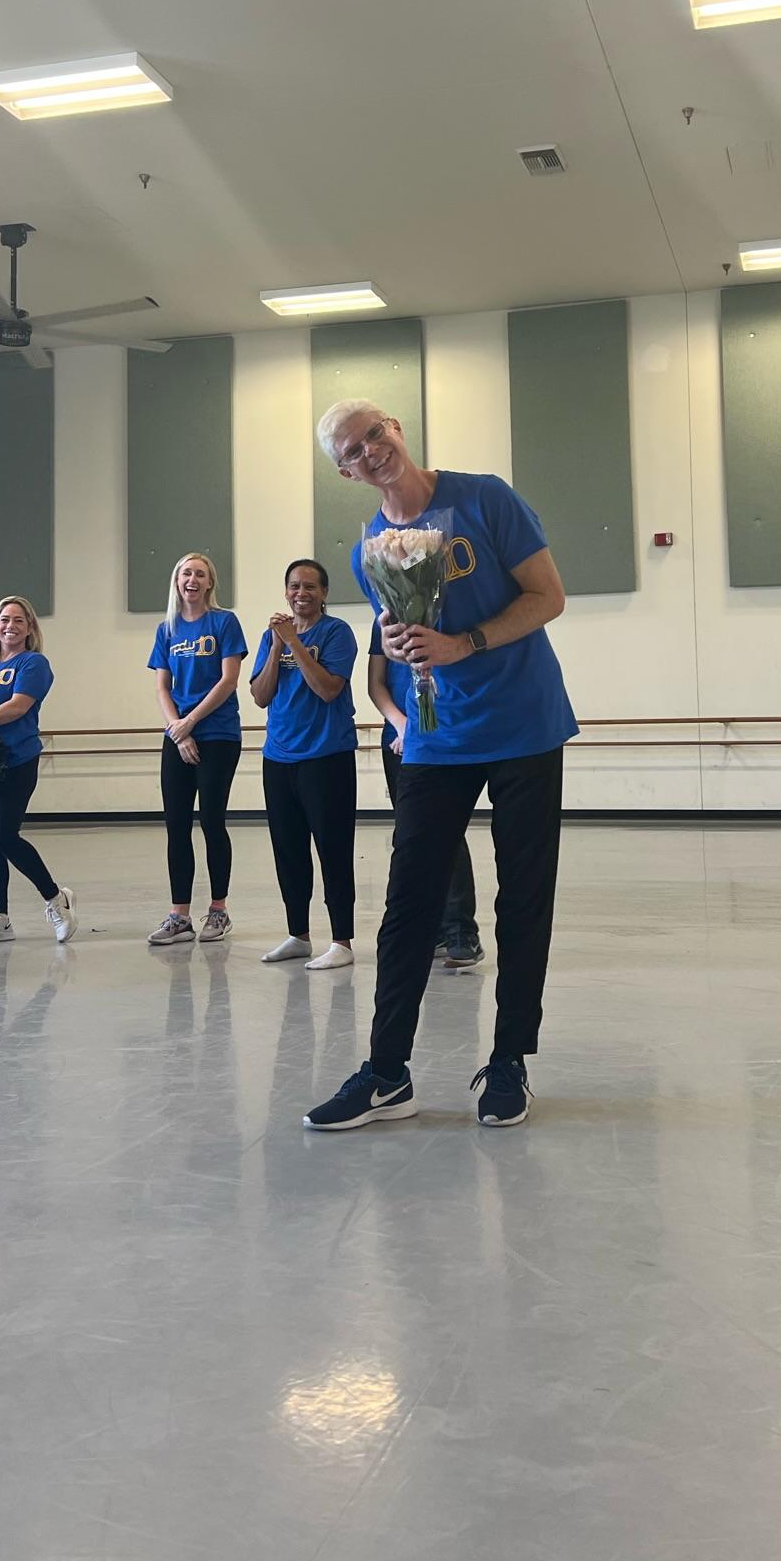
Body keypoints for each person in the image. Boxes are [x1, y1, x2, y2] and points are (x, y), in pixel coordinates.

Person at [303, 400, 578, 1131]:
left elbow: (548, 595)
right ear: (345, 471)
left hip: (523, 722)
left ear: (394, 426)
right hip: (436, 733)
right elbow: (391, 638)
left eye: (374, 434)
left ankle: (510, 1060)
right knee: (409, 903)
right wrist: (398, 650)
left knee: (523, 897)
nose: (371, 451)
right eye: (353, 451)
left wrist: (468, 643)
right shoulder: (372, 541)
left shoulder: (484, 495)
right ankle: (388, 1071)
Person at [251, 559, 360, 972]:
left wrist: (294, 642)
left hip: (326, 756)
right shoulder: (270, 638)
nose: (302, 593)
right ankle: (298, 934)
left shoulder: (337, 633)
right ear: (286, 592)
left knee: (333, 850)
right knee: (289, 850)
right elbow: (261, 696)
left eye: (311, 586)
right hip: (279, 757)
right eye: (295, 586)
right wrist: (278, 645)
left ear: (324, 593)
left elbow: (329, 689)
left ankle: (341, 940)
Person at [0, 595, 79, 945]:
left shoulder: (33, 663)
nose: (10, 626)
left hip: (17, 760)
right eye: (4, 620)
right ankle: (0, 918)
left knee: (3, 836)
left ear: (30, 628)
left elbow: (18, 707)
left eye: (18, 620)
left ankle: (56, 899)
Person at [368, 619, 483, 970]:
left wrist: (423, 729)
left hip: (443, 735)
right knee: (411, 833)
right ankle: (427, 929)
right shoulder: (384, 618)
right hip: (399, 739)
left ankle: (461, 929)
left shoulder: (445, 612)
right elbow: (376, 685)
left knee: (447, 831)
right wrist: (406, 726)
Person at [146, 552, 247, 946]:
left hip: (218, 733)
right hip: (178, 735)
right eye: (186, 572)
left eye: (199, 574)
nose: (192, 579)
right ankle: (179, 916)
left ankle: (218, 911)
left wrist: (192, 722)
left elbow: (228, 681)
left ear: (209, 583)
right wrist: (178, 729)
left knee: (211, 820)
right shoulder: (166, 629)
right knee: (176, 825)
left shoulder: (224, 622)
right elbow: (161, 686)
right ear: (177, 581)